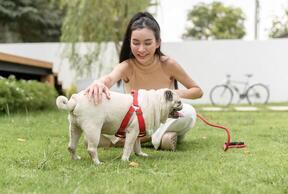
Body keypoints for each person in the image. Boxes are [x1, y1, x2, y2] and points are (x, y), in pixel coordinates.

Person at [85, 11, 203, 151]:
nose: (141, 49)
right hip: (135, 122)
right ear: (130, 42)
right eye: (136, 43)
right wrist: (98, 82)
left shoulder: (168, 64)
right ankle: (160, 139)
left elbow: (197, 91)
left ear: (158, 43)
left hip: (163, 120)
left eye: (148, 43)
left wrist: (173, 93)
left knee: (188, 113)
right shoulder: (127, 66)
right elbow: (109, 78)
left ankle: (131, 140)